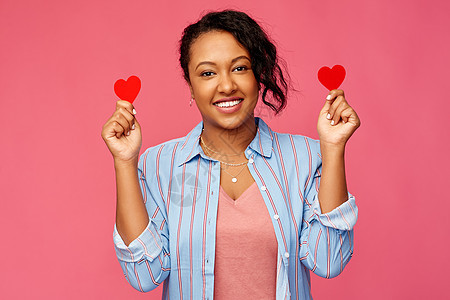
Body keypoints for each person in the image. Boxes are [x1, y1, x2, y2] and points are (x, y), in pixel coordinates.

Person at [101, 9, 360, 300]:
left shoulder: (307, 157)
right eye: (208, 73)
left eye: (239, 68)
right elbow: (143, 275)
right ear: (190, 85)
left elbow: (329, 262)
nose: (226, 86)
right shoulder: (159, 165)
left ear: (258, 76)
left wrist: (334, 148)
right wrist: (124, 162)